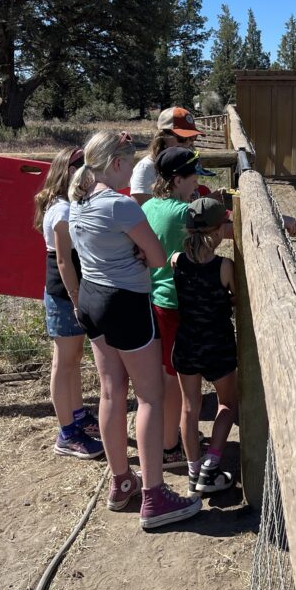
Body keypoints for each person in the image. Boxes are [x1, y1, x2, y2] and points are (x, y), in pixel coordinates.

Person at [68, 130, 201, 529]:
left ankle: (122, 480)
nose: (131, 169)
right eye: (128, 161)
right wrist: (138, 253)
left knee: (110, 391)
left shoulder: (77, 202)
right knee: (150, 397)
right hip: (125, 303)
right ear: (115, 163)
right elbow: (159, 258)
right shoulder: (121, 207)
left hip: (91, 299)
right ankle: (155, 496)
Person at [142, 147, 212, 468]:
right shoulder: (183, 214)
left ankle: (167, 436)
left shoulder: (152, 206)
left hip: (155, 299)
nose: (197, 180)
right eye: (193, 175)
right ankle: (171, 447)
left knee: (163, 376)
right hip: (175, 303)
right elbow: (203, 250)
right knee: (175, 381)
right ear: (178, 179)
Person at [33, 147, 103, 460]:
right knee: (64, 363)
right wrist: (77, 300)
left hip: (69, 293)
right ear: (70, 173)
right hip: (64, 294)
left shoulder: (68, 205)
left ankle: (78, 415)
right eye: (84, 169)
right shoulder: (61, 211)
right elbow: (63, 261)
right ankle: (67, 433)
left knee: (73, 358)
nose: (90, 175)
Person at [171, 197, 240, 497]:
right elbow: (236, 298)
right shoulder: (225, 266)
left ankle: (193, 471)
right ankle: (211, 466)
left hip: (186, 343)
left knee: (190, 407)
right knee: (227, 404)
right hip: (218, 344)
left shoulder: (177, 261)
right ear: (216, 231)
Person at [130, 107, 201, 206]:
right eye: (183, 138)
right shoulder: (146, 168)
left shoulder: (185, 165)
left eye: (192, 137)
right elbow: (140, 211)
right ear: (163, 136)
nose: (188, 143)